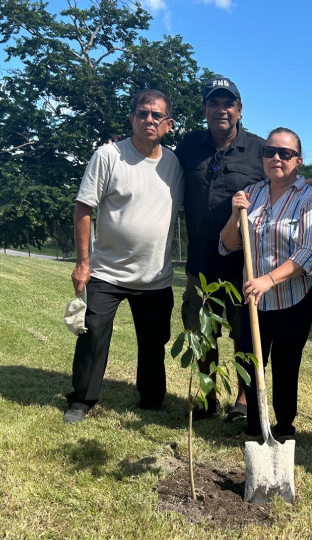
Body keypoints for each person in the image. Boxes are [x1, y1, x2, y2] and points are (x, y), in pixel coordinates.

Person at [64, 89, 183, 424]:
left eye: (156, 115)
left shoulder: (175, 164)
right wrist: (83, 263)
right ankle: (81, 401)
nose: (149, 120)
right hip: (107, 272)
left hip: (155, 276)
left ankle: (151, 401)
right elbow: (84, 207)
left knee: (153, 343)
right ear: (132, 118)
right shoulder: (108, 156)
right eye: (142, 113)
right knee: (93, 333)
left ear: (168, 124)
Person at [220, 127, 312, 440]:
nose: (276, 158)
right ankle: (254, 428)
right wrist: (235, 214)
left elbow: (308, 254)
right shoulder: (252, 194)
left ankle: (283, 428)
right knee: (251, 363)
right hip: (254, 299)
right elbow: (226, 244)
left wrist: (268, 280)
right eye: (269, 151)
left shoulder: (309, 198)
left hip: (293, 299)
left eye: (285, 153)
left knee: (284, 364)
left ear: (298, 161)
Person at [175, 76, 265, 421]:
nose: (221, 109)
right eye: (214, 103)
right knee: (201, 331)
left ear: (239, 110)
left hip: (243, 265)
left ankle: (243, 401)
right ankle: (207, 396)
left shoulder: (259, 149)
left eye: (228, 103)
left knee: (244, 333)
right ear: (204, 110)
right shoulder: (188, 147)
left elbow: (286, 183)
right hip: (200, 262)